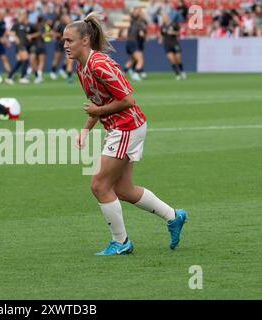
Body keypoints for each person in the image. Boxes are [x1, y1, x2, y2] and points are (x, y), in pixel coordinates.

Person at [63, 12, 188, 256]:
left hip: (126, 126)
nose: (65, 45)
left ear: (85, 40)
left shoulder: (100, 65)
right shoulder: (82, 67)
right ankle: (174, 217)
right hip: (120, 126)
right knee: (123, 189)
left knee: (99, 184)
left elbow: (128, 100)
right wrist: (86, 129)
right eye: (64, 40)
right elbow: (98, 101)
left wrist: (98, 111)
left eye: (69, 40)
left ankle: (121, 242)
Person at [5, 10, 31, 85]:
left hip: (24, 44)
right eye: (24, 15)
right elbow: (10, 32)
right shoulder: (16, 24)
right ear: (20, 16)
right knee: (25, 59)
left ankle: (9, 77)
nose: (25, 17)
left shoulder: (24, 24)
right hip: (20, 45)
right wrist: (16, 38)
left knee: (19, 62)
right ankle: (23, 77)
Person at [159, 14, 186, 80]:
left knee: (178, 59)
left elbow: (180, 33)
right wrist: (160, 39)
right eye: (163, 18)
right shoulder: (162, 26)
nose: (164, 19)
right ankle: (177, 74)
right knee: (171, 60)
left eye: (165, 17)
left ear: (168, 17)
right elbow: (162, 34)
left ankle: (182, 72)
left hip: (175, 43)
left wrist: (173, 32)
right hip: (167, 45)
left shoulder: (174, 24)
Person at [124, 8, 147, 81]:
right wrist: (144, 37)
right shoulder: (139, 23)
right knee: (140, 60)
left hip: (128, 42)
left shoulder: (133, 22)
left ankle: (123, 73)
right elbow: (141, 34)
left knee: (132, 60)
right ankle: (135, 74)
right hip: (134, 42)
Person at [50, 13, 73, 83]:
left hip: (68, 44)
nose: (68, 19)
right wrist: (60, 36)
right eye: (67, 18)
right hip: (59, 43)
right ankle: (53, 72)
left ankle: (65, 73)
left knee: (69, 58)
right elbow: (53, 33)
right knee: (57, 58)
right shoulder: (60, 25)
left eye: (68, 18)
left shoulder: (72, 26)